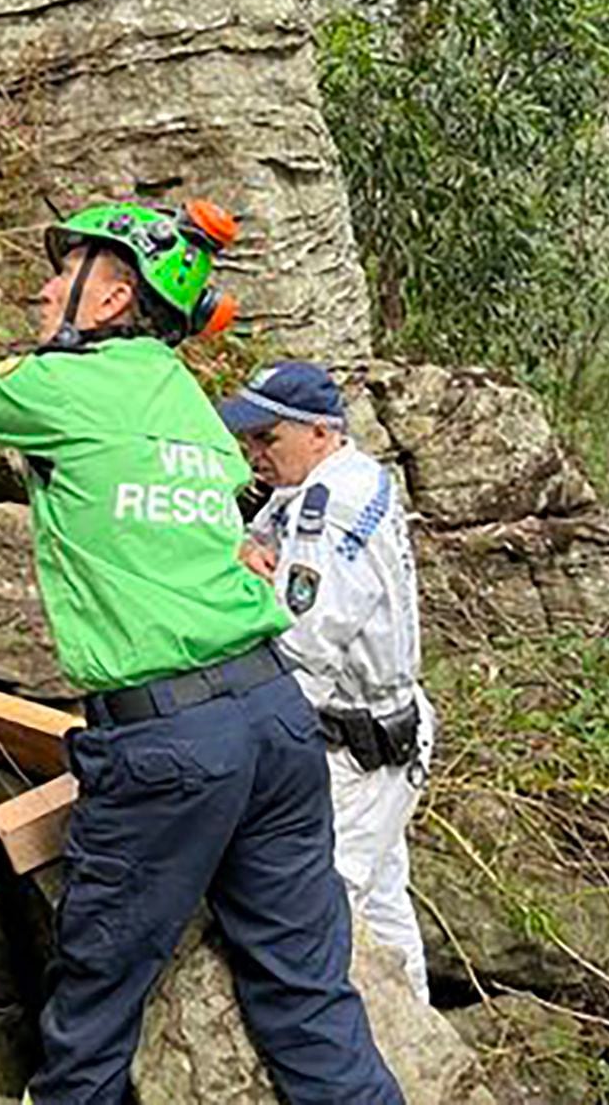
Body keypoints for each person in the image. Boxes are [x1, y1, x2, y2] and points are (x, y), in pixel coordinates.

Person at [0, 204, 402, 1103]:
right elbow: (227, 519)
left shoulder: (63, 387)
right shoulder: (183, 397)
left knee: (93, 1014)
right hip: (276, 724)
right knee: (308, 999)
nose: (42, 285)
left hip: (169, 746)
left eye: (65, 269)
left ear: (109, 299)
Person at [221, 361, 434, 1002]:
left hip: (360, 747)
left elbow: (303, 648)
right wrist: (244, 548)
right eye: (249, 439)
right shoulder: (351, 474)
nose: (253, 453)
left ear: (320, 431)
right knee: (386, 906)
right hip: (386, 730)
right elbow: (266, 533)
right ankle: (424, 1044)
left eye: (267, 438)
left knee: (321, 906)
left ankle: (355, 1056)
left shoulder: (327, 508)